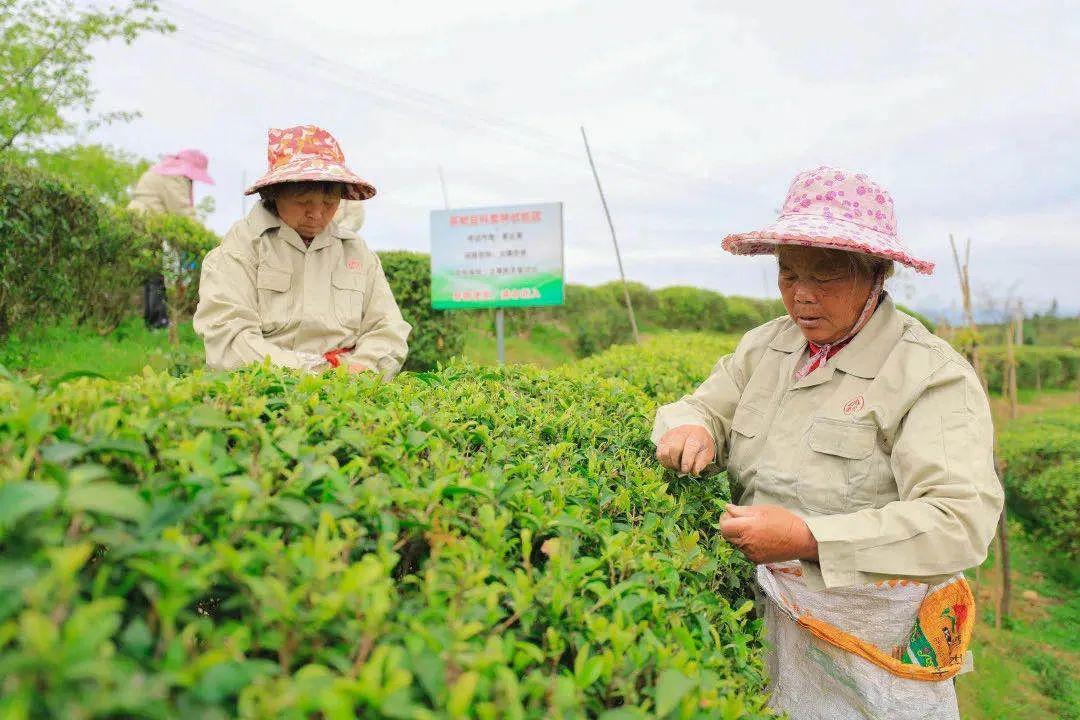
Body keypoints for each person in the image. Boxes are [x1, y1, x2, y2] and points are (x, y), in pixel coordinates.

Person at [652, 166, 1003, 719]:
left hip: (877, 640)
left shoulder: (929, 375)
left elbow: (958, 522)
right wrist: (689, 427)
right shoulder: (767, 346)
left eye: (827, 276)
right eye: (788, 275)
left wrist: (809, 537)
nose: (802, 297)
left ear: (878, 274)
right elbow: (702, 407)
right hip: (772, 617)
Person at [193, 125, 410, 378]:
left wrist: (363, 369)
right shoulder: (242, 248)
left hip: (350, 389)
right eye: (303, 202)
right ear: (274, 193)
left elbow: (387, 329)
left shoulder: (356, 253)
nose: (317, 214)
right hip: (267, 389)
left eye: (329, 204)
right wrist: (314, 372)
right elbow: (228, 338)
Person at [128, 149, 215, 329]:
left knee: (149, 274)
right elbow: (183, 213)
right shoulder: (174, 177)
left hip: (138, 220)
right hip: (147, 223)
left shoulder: (160, 171)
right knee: (154, 276)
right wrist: (205, 239)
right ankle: (158, 322)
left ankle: (152, 321)